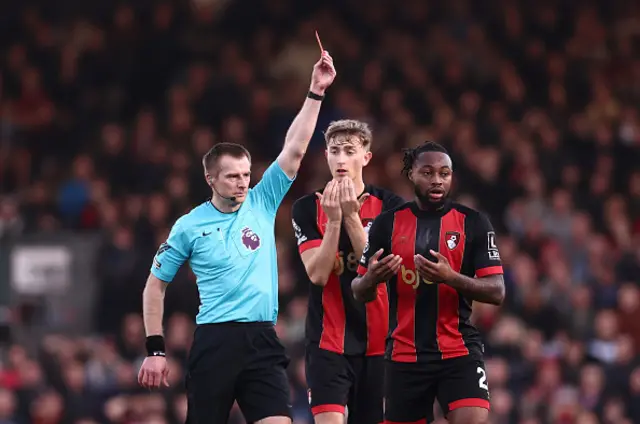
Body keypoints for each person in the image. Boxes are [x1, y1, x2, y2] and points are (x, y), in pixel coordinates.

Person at [137, 50, 337, 424]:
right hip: (215, 342)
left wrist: (315, 92)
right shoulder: (189, 225)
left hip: (262, 339)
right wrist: (155, 349)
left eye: (246, 174)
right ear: (210, 179)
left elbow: (294, 149)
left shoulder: (261, 202)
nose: (243, 181)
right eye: (233, 176)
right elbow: (154, 287)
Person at [352, 141, 505, 424]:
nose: (437, 180)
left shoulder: (474, 223)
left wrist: (451, 278)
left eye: (444, 173)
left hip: (458, 350)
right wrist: (372, 278)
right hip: (404, 356)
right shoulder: (386, 224)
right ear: (411, 174)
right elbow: (358, 290)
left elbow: (497, 291)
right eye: (428, 172)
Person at [291, 119, 405, 424]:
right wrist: (335, 222)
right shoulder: (306, 207)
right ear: (326, 156)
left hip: (380, 343)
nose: (341, 159)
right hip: (327, 341)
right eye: (334, 151)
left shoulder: (392, 206)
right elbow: (317, 274)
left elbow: (378, 268)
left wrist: (351, 215)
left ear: (366, 157)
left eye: (349, 151)